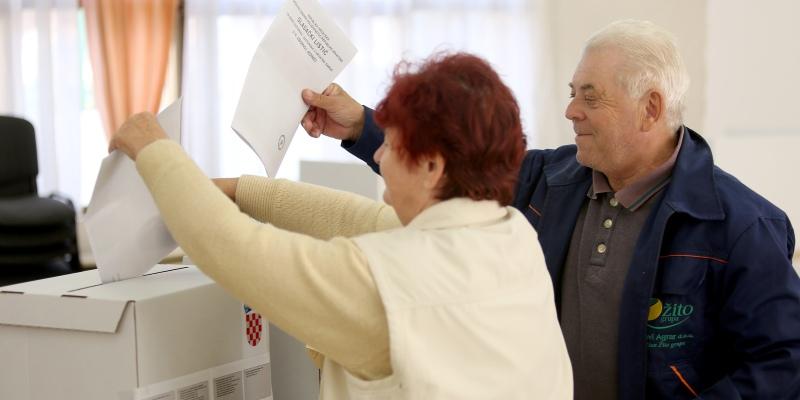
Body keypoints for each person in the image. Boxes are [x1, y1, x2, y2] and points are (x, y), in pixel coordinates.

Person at [300, 20, 800, 399]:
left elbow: (784, 365)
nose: (570, 111)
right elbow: (446, 165)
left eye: (590, 97)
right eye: (570, 93)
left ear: (650, 107)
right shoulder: (545, 182)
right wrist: (361, 126)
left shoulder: (742, 226)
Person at [110, 53, 573, 399]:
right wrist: (241, 189)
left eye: (390, 144)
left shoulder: (391, 285)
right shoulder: (509, 234)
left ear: (432, 165)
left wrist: (156, 149)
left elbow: (233, 250)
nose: (378, 154)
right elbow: (361, 220)